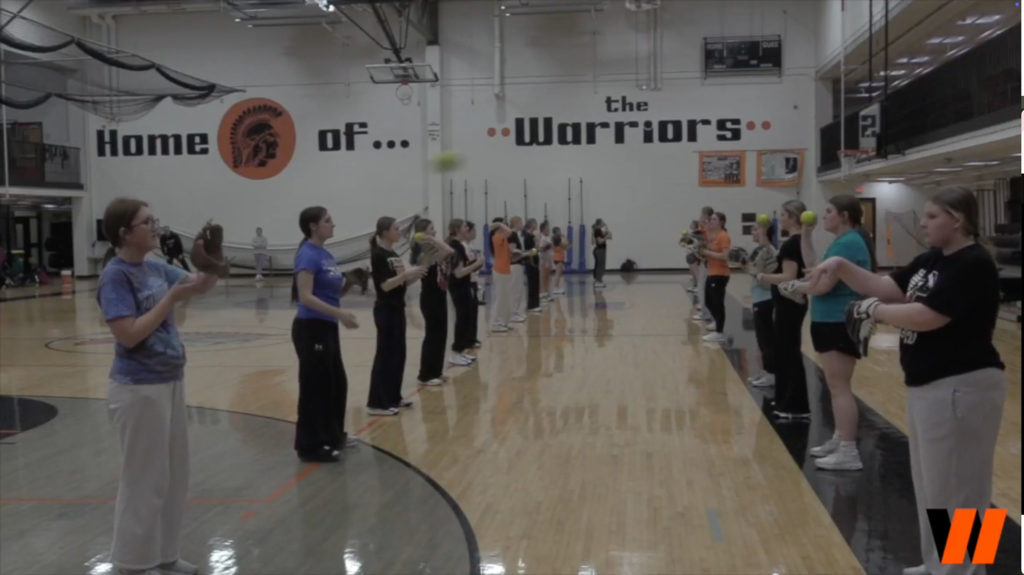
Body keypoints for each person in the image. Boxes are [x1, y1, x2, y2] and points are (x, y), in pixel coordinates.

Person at [805, 187, 1006, 575]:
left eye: (931, 216)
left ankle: (964, 570)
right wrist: (841, 266)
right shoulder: (932, 260)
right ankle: (939, 564)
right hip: (928, 383)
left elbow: (930, 316)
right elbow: (886, 287)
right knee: (933, 484)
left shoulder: (972, 263)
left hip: (965, 384)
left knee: (964, 485)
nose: (923, 223)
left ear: (957, 219)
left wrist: (874, 311)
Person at [96, 198, 219, 575]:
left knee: (173, 476)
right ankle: (131, 563)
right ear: (124, 232)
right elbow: (129, 335)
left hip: (169, 380)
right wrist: (170, 299)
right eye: (147, 221)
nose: (155, 226)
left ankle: (164, 556)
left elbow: (199, 286)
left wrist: (209, 259)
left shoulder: (154, 267)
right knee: (143, 479)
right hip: (137, 388)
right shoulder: (115, 276)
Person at [780, 196, 876, 471]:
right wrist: (806, 237)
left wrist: (794, 288)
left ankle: (848, 450)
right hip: (828, 320)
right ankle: (839, 438)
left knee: (839, 386)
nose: (823, 216)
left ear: (844, 215)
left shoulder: (847, 244)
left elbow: (821, 286)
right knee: (836, 387)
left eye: (829, 212)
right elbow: (814, 268)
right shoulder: (841, 242)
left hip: (837, 321)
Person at [290, 207, 360, 463]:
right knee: (314, 387)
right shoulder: (307, 255)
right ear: (312, 226)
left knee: (336, 383)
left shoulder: (325, 254)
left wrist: (350, 282)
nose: (333, 225)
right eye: (328, 221)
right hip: (311, 328)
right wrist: (340, 315)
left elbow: (331, 292)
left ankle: (333, 435)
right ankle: (310, 446)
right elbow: (306, 297)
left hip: (327, 326)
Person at [756, 200, 810, 420]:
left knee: (788, 353)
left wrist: (762, 277)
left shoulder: (791, 245)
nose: (780, 218)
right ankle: (788, 401)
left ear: (794, 217)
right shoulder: (800, 242)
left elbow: (789, 277)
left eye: (784, 214)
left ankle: (794, 405)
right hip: (789, 304)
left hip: (789, 305)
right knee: (787, 351)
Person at [367, 217, 426, 416]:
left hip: (397, 308)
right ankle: (377, 403)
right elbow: (384, 285)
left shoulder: (393, 253)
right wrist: (405, 275)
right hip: (385, 310)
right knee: (385, 356)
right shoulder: (378, 255)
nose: (399, 231)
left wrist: (413, 277)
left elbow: (399, 283)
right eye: (395, 228)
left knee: (398, 355)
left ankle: (393, 396)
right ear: (385, 232)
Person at [410, 218, 458, 385]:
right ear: (423, 232)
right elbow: (449, 250)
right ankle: (425, 374)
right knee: (432, 335)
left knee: (441, 334)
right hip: (430, 297)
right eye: (432, 229)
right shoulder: (424, 254)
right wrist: (429, 238)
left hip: (440, 295)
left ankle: (436, 371)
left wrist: (431, 238)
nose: (435, 232)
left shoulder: (433, 251)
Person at [448, 218, 485, 364]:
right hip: (458, 286)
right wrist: (477, 263)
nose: (467, 229)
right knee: (461, 318)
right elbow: (458, 273)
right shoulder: (455, 247)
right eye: (464, 226)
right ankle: (456, 351)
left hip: (465, 285)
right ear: (457, 230)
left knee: (467, 317)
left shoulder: (460, 247)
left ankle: (462, 350)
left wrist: (475, 265)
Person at [748, 221, 777, 388]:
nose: (752, 231)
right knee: (761, 339)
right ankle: (764, 371)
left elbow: (768, 275)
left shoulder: (769, 251)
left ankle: (771, 373)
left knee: (766, 339)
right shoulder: (758, 251)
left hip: (766, 299)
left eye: (756, 229)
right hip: (758, 298)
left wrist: (756, 272)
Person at [698, 212, 732, 343]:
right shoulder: (713, 236)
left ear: (721, 222)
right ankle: (717, 322)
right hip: (712, 272)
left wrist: (707, 252)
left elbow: (725, 256)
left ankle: (719, 331)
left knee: (717, 303)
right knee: (707, 301)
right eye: (711, 219)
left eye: (714, 219)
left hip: (720, 273)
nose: (711, 221)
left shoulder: (723, 236)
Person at [490, 218, 514, 332]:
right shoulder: (496, 237)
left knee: (507, 298)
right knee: (500, 297)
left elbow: (509, 252)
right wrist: (499, 223)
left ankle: (504, 321)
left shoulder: (504, 239)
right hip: (499, 270)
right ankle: (497, 323)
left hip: (506, 269)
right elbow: (509, 231)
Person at [691, 207, 715, 324]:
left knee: (703, 286)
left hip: (708, 261)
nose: (700, 216)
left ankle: (706, 312)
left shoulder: (708, 228)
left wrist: (698, 244)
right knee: (701, 286)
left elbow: (707, 241)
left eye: (702, 214)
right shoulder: (705, 227)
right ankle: (705, 308)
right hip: (703, 260)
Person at [464, 221, 484, 346]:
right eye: (473, 230)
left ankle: (472, 337)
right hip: (468, 281)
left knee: (474, 311)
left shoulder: (470, 245)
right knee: (469, 311)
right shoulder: (463, 246)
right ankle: (467, 339)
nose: (475, 233)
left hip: (474, 279)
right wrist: (476, 263)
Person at [508, 216, 528, 322]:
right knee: (515, 289)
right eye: (520, 222)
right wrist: (523, 253)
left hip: (518, 264)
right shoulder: (512, 235)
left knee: (519, 290)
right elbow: (511, 250)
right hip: (514, 265)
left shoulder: (516, 235)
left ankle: (516, 311)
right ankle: (512, 313)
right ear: (515, 223)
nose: (522, 224)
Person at [523, 218, 542, 313]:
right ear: (531, 224)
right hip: (531, 262)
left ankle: (535, 303)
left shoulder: (532, 236)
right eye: (535, 223)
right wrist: (532, 262)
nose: (536, 225)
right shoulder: (528, 236)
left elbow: (535, 249)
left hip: (534, 261)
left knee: (536, 283)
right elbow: (530, 251)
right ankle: (532, 305)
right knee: (532, 284)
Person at [592, 218, 611, 288]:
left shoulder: (599, 231)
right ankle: (598, 281)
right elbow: (599, 241)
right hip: (600, 250)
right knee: (600, 266)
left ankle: (598, 280)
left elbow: (609, 235)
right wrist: (606, 237)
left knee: (600, 265)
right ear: (600, 223)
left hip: (600, 250)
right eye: (603, 222)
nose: (604, 223)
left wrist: (607, 229)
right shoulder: (597, 231)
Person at [538, 221, 554, 302]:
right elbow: (541, 249)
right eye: (547, 228)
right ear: (543, 229)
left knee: (547, 276)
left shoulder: (548, 237)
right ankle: (542, 293)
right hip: (544, 258)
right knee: (543, 276)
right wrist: (546, 261)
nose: (548, 230)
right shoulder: (542, 238)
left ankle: (547, 292)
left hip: (549, 257)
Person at [551, 226, 569, 295]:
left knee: (558, 273)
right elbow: (565, 244)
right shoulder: (557, 238)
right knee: (558, 273)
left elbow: (565, 247)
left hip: (558, 257)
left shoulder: (554, 239)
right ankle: (555, 287)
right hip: (558, 258)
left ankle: (557, 287)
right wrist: (564, 237)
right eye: (559, 230)